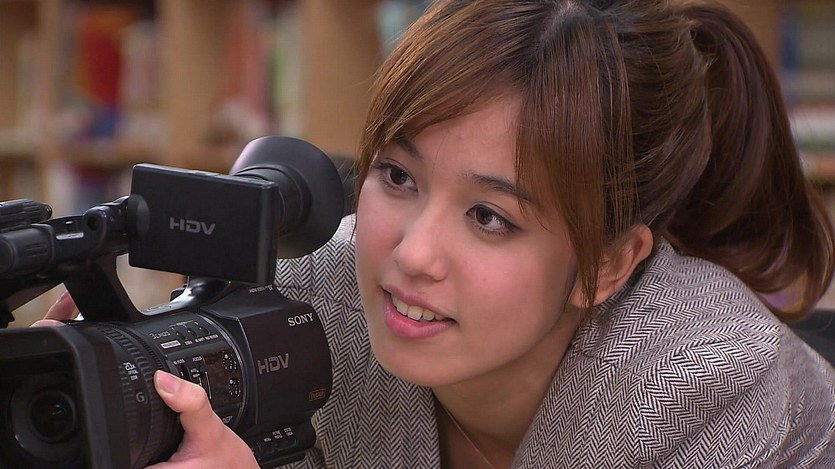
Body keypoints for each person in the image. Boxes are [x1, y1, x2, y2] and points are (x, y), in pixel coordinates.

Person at [42, 0, 835, 467]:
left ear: (606, 263)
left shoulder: (703, 380)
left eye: (489, 216)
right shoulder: (314, 302)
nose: (411, 253)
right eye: (397, 176)